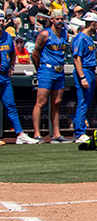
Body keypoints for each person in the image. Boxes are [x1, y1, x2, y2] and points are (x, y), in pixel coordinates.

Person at [31, 11, 71, 142]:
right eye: (57, 19)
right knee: (41, 102)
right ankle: (37, 134)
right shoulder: (45, 34)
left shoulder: (65, 33)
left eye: (62, 18)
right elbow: (35, 54)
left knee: (57, 103)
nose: (60, 21)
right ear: (52, 19)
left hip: (60, 71)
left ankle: (56, 134)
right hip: (47, 69)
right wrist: (40, 70)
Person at [0, 14, 38, 144]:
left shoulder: (6, 36)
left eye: (2, 20)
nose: (0, 22)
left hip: (4, 75)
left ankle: (20, 134)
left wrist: (11, 66)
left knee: (11, 105)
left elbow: (12, 51)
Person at [71, 12, 97, 142]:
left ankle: (80, 130)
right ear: (93, 23)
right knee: (82, 102)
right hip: (83, 71)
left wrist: (94, 76)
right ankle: (79, 132)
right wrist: (82, 77)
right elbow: (77, 59)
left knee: (86, 102)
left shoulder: (89, 38)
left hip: (90, 71)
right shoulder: (80, 38)